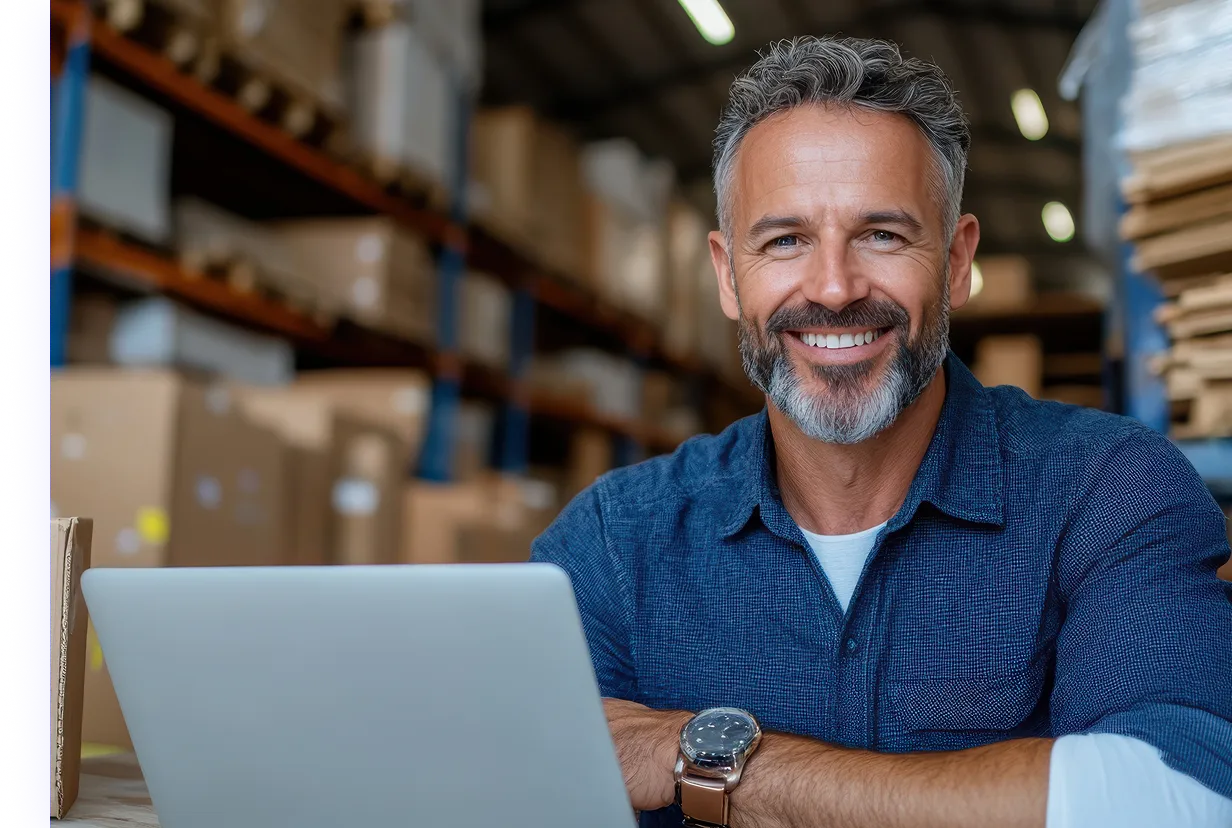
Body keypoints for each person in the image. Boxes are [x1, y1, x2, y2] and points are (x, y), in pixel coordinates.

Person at [531, 36, 1232, 828]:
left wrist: (706, 757)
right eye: (785, 240)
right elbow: (502, 783)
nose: (833, 289)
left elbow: (1183, 799)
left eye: (883, 235)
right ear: (728, 275)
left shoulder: (1109, 491)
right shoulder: (612, 545)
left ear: (958, 260)